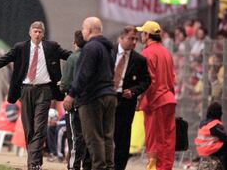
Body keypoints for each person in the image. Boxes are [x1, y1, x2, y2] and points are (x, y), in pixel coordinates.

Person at [0, 21, 71, 170]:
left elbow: (71, 57)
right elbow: (1, 61)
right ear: (30, 33)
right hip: (26, 90)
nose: (37, 34)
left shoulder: (52, 47)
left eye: (40, 32)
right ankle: (35, 161)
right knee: (29, 128)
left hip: (45, 90)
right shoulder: (20, 48)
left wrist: (87, 55)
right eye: (35, 31)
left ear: (43, 34)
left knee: (40, 127)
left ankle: (34, 164)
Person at [67, 17, 117, 170]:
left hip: (93, 98)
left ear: (88, 30)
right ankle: (109, 167)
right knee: (107, 137)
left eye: (83, 28)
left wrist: (71, 94)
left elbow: (83, 74)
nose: (82, 32)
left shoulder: (90, 48)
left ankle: (99, 168)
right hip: (109, 95)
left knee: (93, 138)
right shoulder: (110, 48)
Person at [136, 20, 177, 170]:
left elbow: (149, 82)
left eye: (142, 33)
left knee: (154, 141)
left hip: (155, 102)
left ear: (147, 35)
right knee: (168, 141)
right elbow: (172, 79)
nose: (141, 35)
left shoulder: (147, 53)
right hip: (169, 100)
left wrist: (141, 101)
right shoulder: (166, 52)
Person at [112, 26, 151, 170]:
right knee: (104, 135)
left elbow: (146, 80)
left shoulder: (139, 59)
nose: (134, 42)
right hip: (107, 98)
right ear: (121, 38)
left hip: (125, 102)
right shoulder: (109, 51)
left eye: (136, 39)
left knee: (122, 138)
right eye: (131, 38)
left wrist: (134, 91)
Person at [60, 30, 90, 170]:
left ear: (75, 43)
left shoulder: (72, 58)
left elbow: (65, 84)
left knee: (74, 137)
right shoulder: (92, 57)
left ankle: (73, 166)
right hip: (89, 103)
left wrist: (62, 85)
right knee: (87, 137)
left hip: (74, 103)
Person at [195, 102, 227, 169]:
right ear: (218, 113)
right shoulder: (215, 124)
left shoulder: (202, 123)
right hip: (210, 149)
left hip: (201, 149)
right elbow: (226, 138)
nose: (222, 113)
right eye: (221, 111)